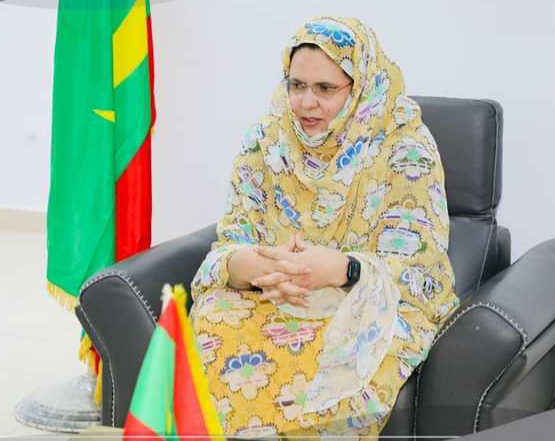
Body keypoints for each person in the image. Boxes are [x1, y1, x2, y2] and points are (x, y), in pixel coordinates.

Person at [190, 16, 459, 438]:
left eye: (325, 89)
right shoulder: (266, 141)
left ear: (360, 86)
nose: (305, 103)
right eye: (296, 85)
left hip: (363, 302)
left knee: (338, 363)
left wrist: (342, 269)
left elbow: (418, 273)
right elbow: (231, 240)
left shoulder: (404, 147)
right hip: (271, 296)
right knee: (213, 321)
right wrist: (253, 266)